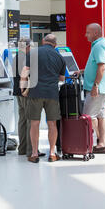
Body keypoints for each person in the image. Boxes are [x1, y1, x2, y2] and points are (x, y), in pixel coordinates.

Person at [20, 34, 66, 163]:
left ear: (43, 41)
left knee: (34, 123)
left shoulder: (33, 53)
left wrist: (23, 89)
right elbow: (61, 78)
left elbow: (24, 73)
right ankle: (52, 153)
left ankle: (34, 153)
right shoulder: (60, 57)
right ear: (55, 44)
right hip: (52, 94)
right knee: (52, 123)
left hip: (35, 92)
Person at [74, 23, 105, 154]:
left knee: (87, 116)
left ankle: (85, 145)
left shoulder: (99, 46)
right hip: (103, 88)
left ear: (96, 33)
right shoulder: (101, 45)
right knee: (101, 115)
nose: (86, 35)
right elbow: (97, 66)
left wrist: (95, 85)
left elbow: (102, 67)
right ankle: (101, 143)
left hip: (97, 88)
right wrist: (83, 71)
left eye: (88, 32)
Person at [12, 37, 45, 158]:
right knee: (31, 120)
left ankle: (23, 148)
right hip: (26, 92)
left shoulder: (16, 56)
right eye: (31, 46)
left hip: (18, 92)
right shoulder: (26, 57)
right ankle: (31, 150)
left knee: (22, 120)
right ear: (26, 47)